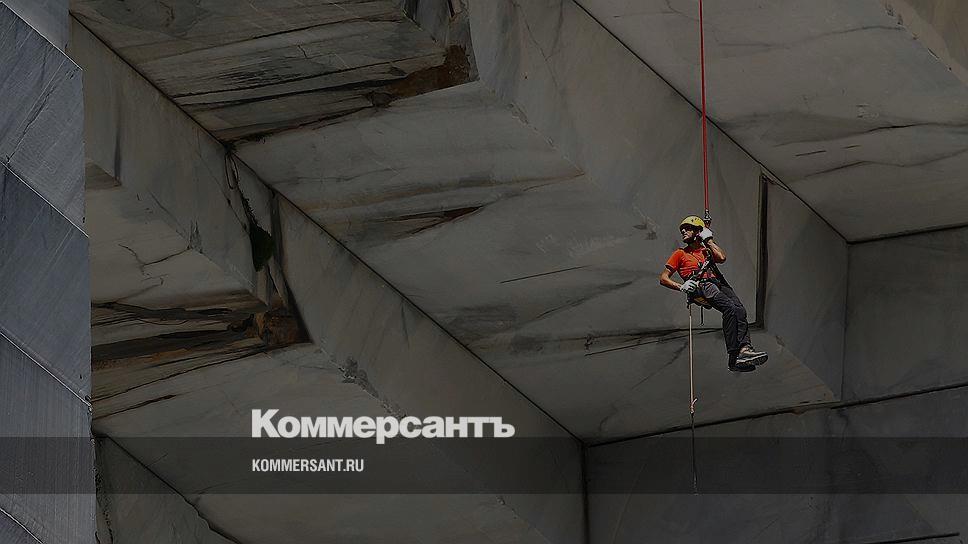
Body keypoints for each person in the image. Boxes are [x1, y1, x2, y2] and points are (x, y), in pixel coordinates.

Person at [659, 216, 768, 372]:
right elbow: (663, 278)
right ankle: (735, 354)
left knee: (740, 310)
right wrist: (682, 286)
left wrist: (708, 240)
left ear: (698, 231)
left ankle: (743, 350)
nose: (683, 231)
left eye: (688, 228)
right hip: (702, 285)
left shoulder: (706, 250)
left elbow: (722, 257)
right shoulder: (680, 253)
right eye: (682, 229)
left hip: (717, 283)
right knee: (729, 308)